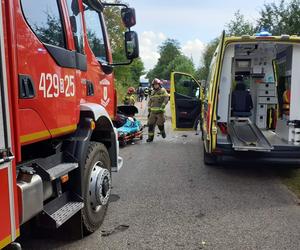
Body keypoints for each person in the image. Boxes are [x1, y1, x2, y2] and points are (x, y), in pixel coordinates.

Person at [146, 78, 169, 142]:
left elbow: (166, 98)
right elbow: (150, 100)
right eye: (154, 85)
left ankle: (162, 132)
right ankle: (150, 138)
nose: (155, 86)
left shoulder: (163, 90)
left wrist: (163, 105)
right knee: (150, 125)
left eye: (156, 84)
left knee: (160, 124)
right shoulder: (153, 92)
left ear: (159, 84)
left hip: (160, 112)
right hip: (152, 112)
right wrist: (149, 107)